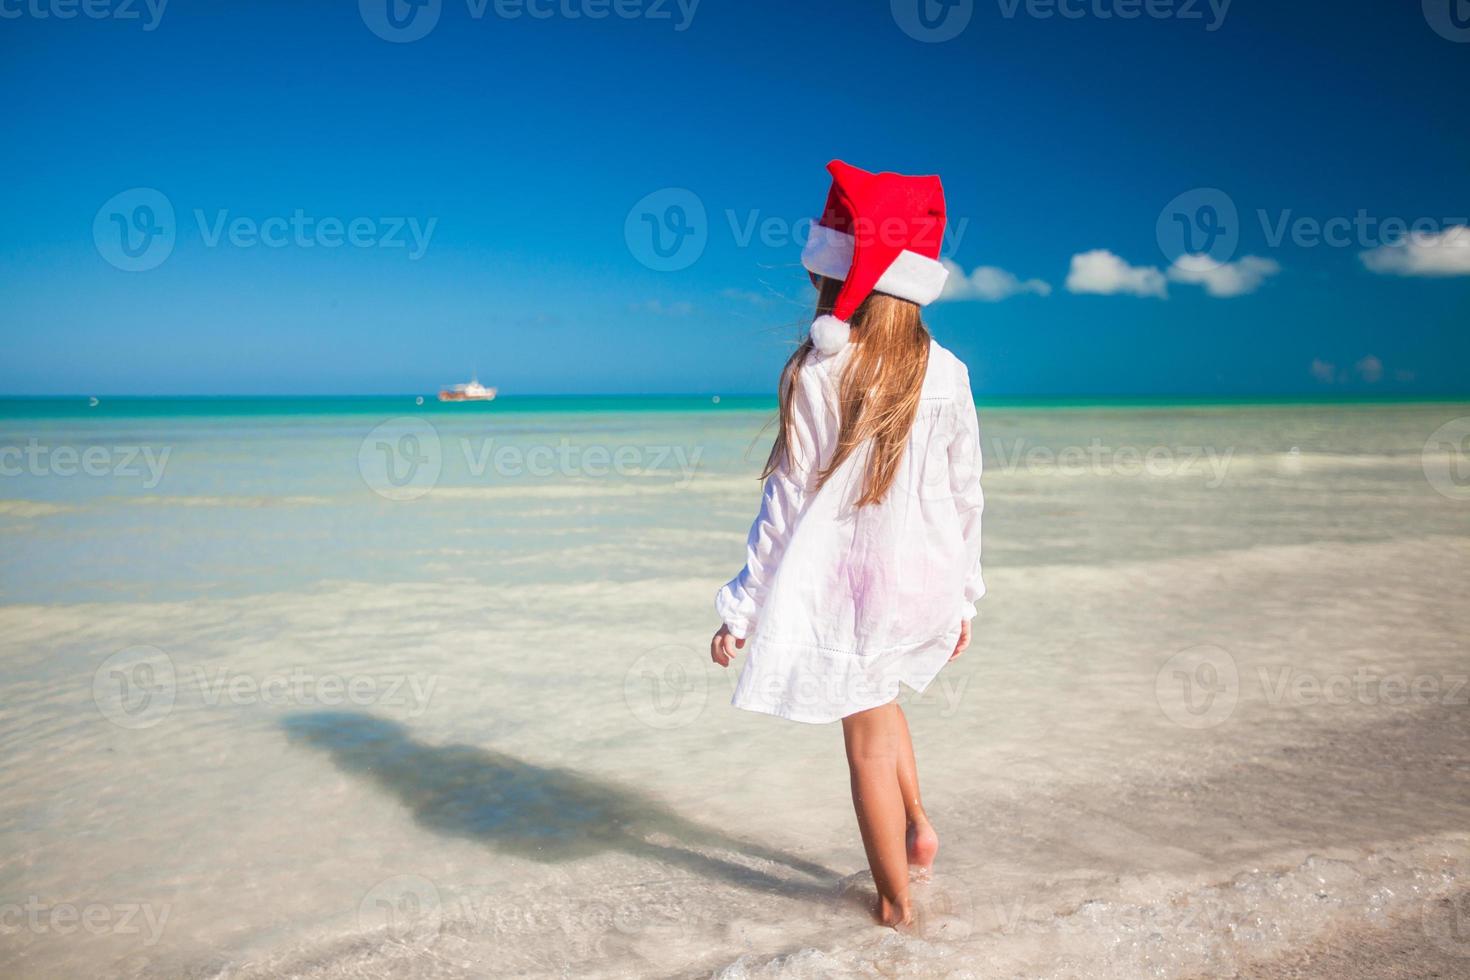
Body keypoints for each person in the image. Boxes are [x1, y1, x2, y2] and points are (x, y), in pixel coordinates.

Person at [710, 159, 985, 928]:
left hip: (850, 587)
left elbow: (787, 497)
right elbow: (967, 493)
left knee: (863, 738)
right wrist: (965, 594)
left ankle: (896, 909)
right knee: (883, 699)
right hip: (924, 578)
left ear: (836, 279)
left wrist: (743, 607)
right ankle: (918, 827)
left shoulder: (816, 369)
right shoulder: (950, 372)